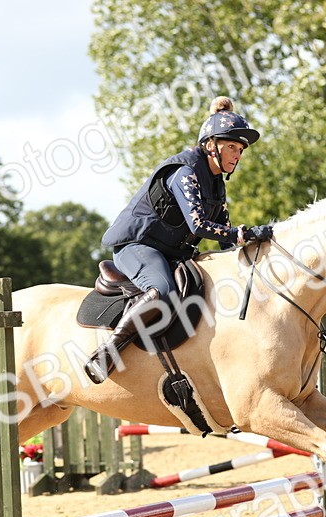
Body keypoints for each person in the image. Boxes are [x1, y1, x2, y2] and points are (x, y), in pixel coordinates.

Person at [84, 96, 274, 384]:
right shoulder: (185, 172)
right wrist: (245, 233)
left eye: (240, 150)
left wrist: (251, 255)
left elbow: (225, 236)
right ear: (211, 146)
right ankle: (107, 351)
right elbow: (199, 226)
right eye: (232, 147)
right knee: (161, 289)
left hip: (170, 252)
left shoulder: (216, 184)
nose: (237, 155)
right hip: (137, 246)